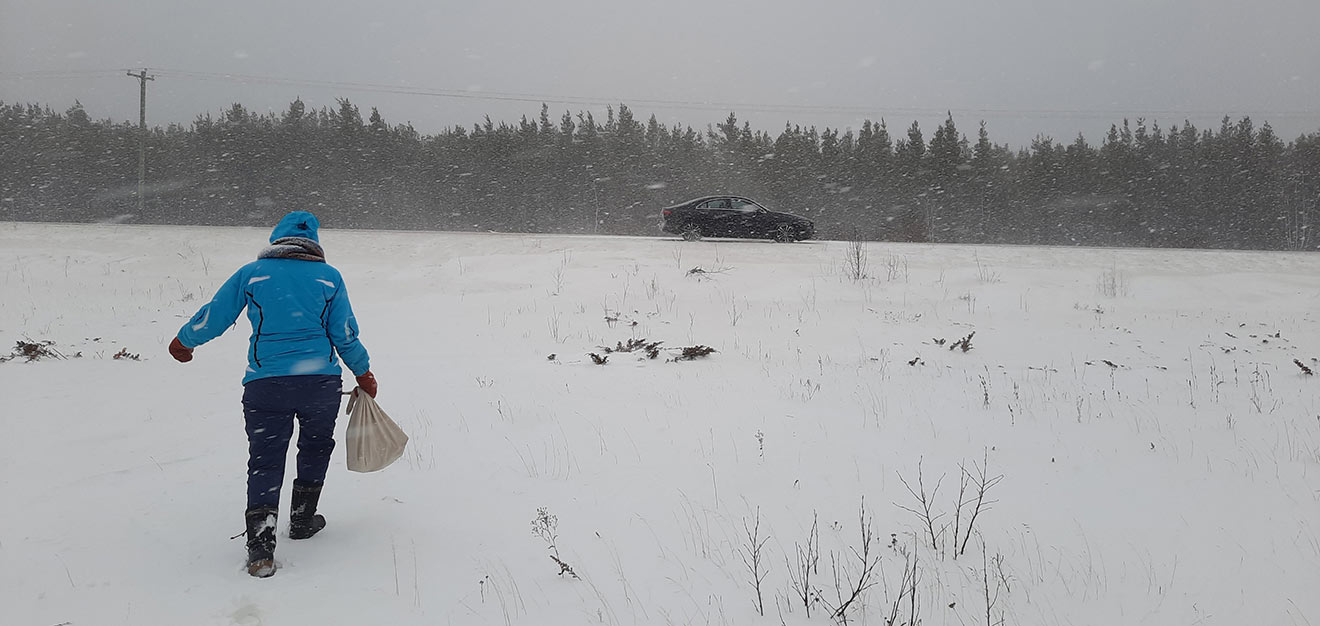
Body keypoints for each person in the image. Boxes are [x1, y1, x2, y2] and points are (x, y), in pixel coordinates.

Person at [168, 210, 377, 578]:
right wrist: (364, 372)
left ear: (276, 239)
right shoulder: (329, 278)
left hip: (266, 385)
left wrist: (185, 341)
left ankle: (261, 550)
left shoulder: (253, 274)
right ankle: (302, 519)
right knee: (315, 446)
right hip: (320, 384)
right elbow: (344, 332)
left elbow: (216, 314)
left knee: (265, 459)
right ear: (314, 242)